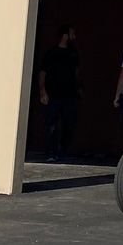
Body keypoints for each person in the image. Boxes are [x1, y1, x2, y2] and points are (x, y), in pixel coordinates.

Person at [36, 25, 80, 161]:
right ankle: (51, 153)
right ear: (65, 36)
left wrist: (79, 88)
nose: (74, 37)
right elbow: (42, 73)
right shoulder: (52, 53)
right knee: (52, 125)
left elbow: (77, 73)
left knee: (69, 124)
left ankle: (62, 151)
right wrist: (43, 92)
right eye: (72, 34)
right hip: (54, 94)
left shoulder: (73, 53)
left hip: (70, 95)